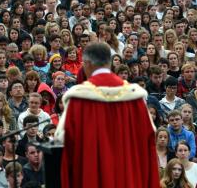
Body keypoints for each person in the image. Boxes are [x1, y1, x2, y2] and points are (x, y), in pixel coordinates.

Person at [55, 42, 160, 188]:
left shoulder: (78, 99)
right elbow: (148, 142)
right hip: (128, 178)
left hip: (92, 178)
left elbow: (65, 141)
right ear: (109, 62)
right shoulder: (135, 97)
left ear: (86, 63)